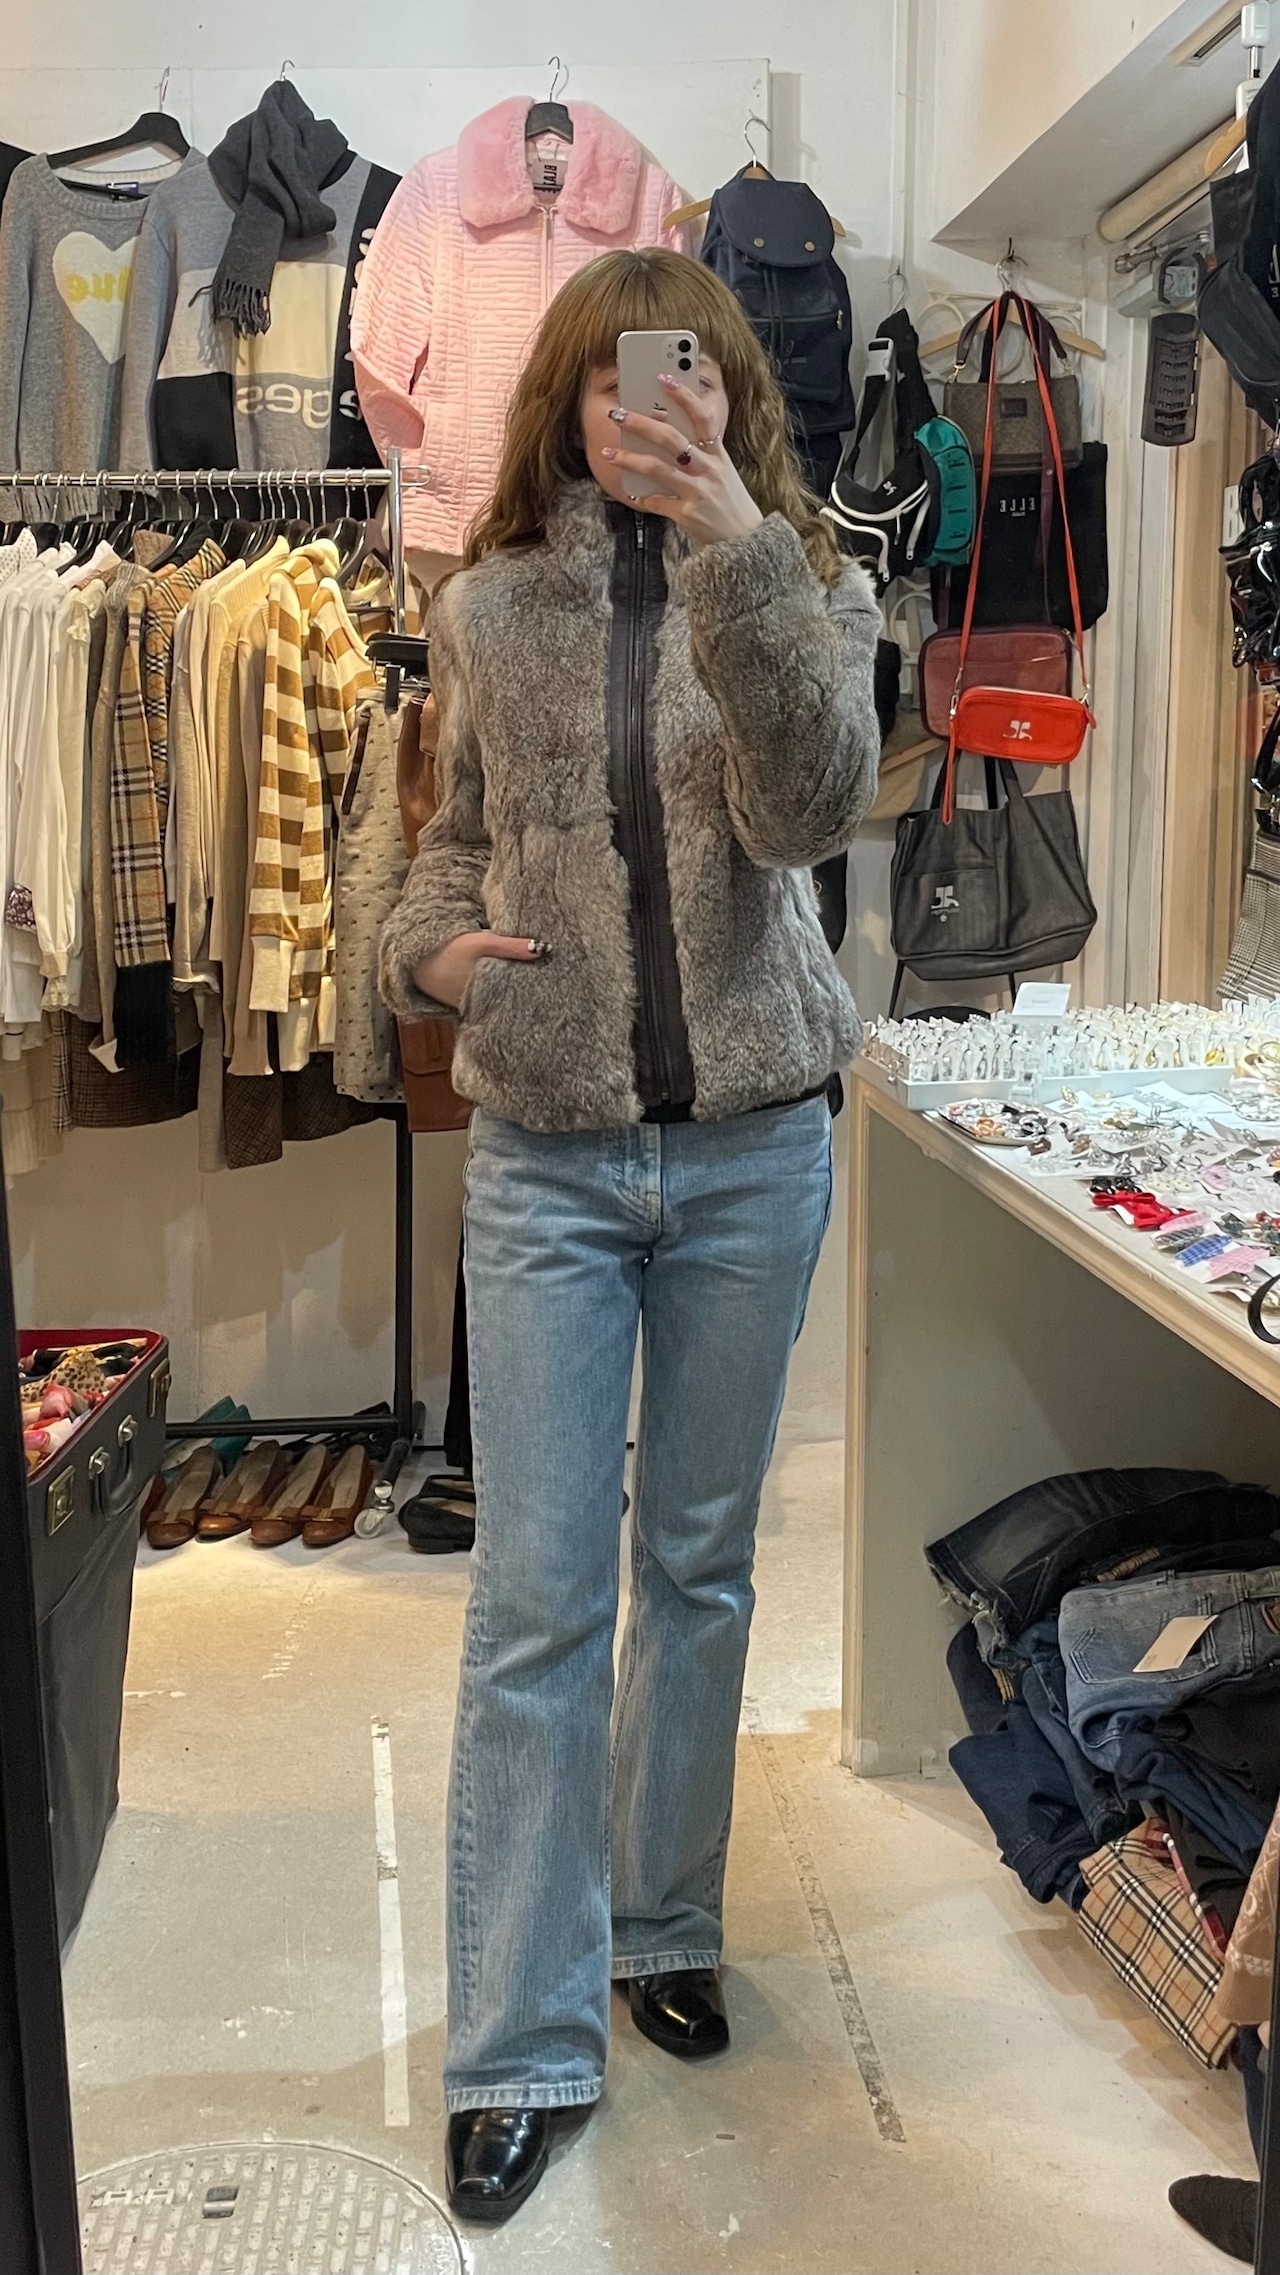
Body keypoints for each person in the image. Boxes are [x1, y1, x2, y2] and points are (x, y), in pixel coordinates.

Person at [379, 246, 881, 2224]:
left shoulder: (806, 577)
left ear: (722, 391)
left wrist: (744, 558)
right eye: (601, 379)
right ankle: (517, 2042)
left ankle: (666, 1921)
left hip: (754, 1148)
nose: (633, 409)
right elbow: (441, 845)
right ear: (560, 402)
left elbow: (811, 814)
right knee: (536, 1599)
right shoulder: (489, 604)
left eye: (669, 377)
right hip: (551, 1158)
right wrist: (430, 953)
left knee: (699, 1565)